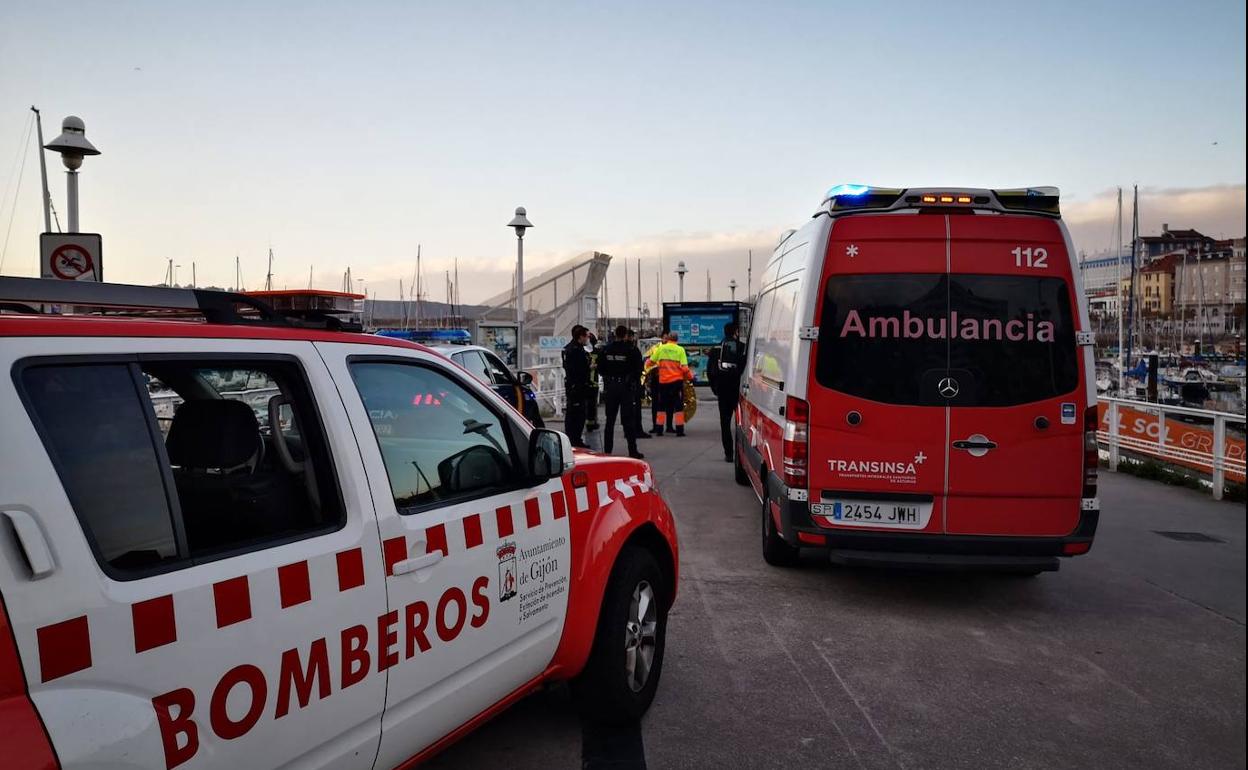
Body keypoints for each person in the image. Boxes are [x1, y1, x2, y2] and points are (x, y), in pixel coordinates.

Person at [597, 325, 644, 459]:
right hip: (626, 387)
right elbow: (638, 369)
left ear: (615, 334)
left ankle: (607, 451)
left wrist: (609, 378)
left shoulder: (606, 349)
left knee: (609, 420)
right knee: (628, 420)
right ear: (625, 335)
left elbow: (600, 368)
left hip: (611, 387)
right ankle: (632, 450)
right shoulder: (631, 350)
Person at [706, 322, 747, 462]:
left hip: (722, 390)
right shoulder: (741, 348)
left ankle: (729, 453)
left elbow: (710, 372)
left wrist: (715, 389)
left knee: (725, 422)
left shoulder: (716, 349)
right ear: (736, 331)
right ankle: (743, 453)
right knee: (742, 423)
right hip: (738, 390)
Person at [646, 331, 693, 436]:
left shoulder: (661, 348)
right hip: (676, 383)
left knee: (661, 406)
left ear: (668, 339)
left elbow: (651, 361)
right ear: (677, 340)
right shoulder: (680, 350)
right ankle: (679, 430)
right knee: (678, 407)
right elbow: (684, 368)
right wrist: (691, 377)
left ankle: (659, 429)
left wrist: (647, 365)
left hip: (663, 382)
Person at [561, 325, 592, 448]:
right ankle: (575, 440)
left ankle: (573, 439)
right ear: (581, 337)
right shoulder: (576, 351)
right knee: (577, 415)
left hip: (572, 386)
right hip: (577, 387)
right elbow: (578, 370)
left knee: (572, 414)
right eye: (587, 336)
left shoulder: (569, 349)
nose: (588, 339)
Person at [628, 329, 651, 440]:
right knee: (636, 409)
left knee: (627, 410)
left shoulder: (616, 349)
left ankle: (629, 430)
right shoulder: (633, 350)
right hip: (633, 384)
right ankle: (637, 430)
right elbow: (639, 367)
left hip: (622, 384)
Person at [585, 332, 602, 432]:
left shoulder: (583, 351)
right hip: (592, 382)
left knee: (588, 404)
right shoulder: (597, 352)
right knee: (592, 404)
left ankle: (591, 423)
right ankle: (591, 423)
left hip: (587, 382)